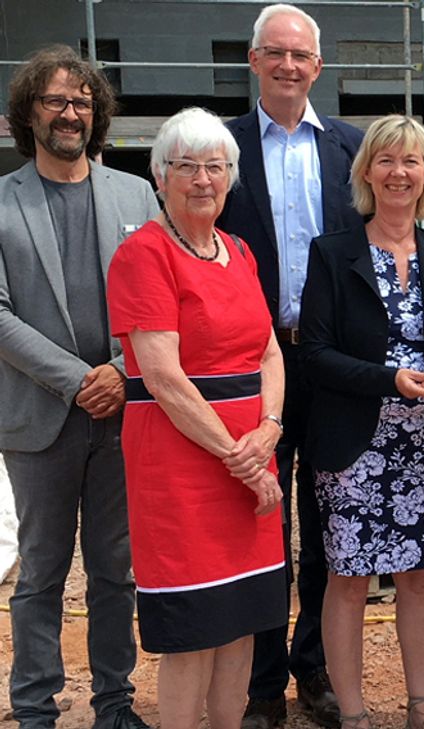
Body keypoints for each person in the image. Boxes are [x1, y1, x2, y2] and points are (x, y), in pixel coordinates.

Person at [106, 106, 288, 729]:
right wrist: (242, 458)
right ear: (160, 176)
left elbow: (268, 352)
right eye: (186, 166)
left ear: (231, 176)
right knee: (193, 632)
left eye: (216, 166)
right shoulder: (143, 254)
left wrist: (269, 429)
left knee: (241, 623)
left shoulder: (239, 250)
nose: (203, 179)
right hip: (183, 469)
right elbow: (163, 378)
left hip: (250, 457)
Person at [0, 44, 159, 729]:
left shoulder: (136, 195)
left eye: (82, 102)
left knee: (115, 569)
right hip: (40, 417)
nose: (70, 113)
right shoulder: (2, 201)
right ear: (28, 112)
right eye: (56, 101)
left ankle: (114, 702)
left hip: (123, 414)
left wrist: (122, 371)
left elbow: (160, 301)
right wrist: (78, 380)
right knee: (40, 571)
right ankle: (34, 708)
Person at [217, 4, 365, 727]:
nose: (287, 65)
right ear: (253, 62)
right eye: (274, 53)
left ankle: (315, 667)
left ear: (317, 67)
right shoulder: (221, 148)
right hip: (254, 363)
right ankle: (261, 682)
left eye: (299, 55)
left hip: (332, 361)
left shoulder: (352, 148)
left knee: (328, 521)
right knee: (260, 521)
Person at [299, 114, 424, 729]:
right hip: (354, 443)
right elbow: (314, 352)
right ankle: (354, 715)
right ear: (367, 172)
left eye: (412, 161)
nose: (400, 173)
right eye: (387, 160)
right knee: (347, 579)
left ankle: (421, 708)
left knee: (420, 578)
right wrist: (387, 379)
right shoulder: (332, 253)